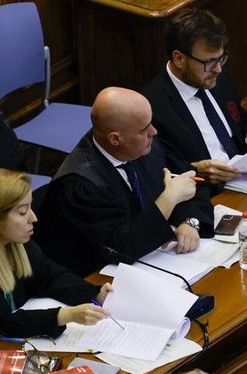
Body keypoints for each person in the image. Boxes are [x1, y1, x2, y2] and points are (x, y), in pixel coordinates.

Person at [0, 169, 109, 354]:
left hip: (5, 345)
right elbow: (5, 322)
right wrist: (68, 315)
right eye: (23, 212)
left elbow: (50, 276)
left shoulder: (14, 243)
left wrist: (96, 294)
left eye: (30, 207)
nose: (34, 218)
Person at [39, 87, 215, 276]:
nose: (154, 132)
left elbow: (192, 180)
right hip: (99, 279)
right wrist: (169, 198)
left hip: (162, 261)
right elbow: (120, 248)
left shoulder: (144, 143)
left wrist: (190, 221)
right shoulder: (80, 185)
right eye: (144, 129)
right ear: (115, 139)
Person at [143, 8, 247, 187]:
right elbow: (155, 169)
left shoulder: (215, 77)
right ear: (179, 59)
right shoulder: (153, 106)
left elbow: (240, 118)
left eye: (220, 59)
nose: (218, 69)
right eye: (209, 62)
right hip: (205, 195)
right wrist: (196, 170)